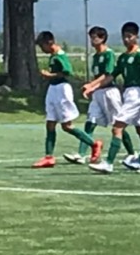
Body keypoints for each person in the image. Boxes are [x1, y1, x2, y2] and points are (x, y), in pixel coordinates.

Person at [84, 21, 140, 174]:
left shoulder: (139, 55)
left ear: (136, 37)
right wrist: (92, 87)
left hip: (137, 93)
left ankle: (108, 163)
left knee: (117, 127)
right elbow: (111, 76)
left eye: (129, 36)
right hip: (128, 93)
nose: (126, 40)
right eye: (124, 37)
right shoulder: (123, 57)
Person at [32, 31, 99, 168]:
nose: (42, 49)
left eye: (42, 46)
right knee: (50, 123)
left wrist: (49, 75)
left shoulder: (60, 55)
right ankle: (49, 157)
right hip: (53, 89)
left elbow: (67, 71)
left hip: (62, 90)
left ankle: (94, 144)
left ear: (50, 42)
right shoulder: (53, 56)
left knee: (66, 126)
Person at [75, 26, 134, 165]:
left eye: (95, 37)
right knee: (90, 122)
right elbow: (97, 76)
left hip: (109, 93)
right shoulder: (95, 56)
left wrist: (91, 85)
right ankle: (81, 154)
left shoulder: (109, 54)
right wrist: (93, 88)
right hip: (98, 93)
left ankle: (132, 153)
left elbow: (107, 75)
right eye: (91, 37)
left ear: (102, 38)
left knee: (117, 124)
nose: (92, 40)